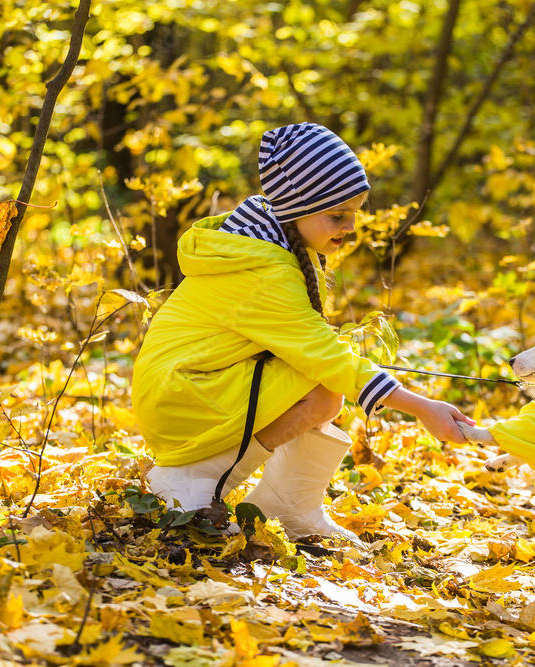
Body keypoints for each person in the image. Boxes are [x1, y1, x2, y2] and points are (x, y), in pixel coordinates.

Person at [132, 123, 474, 540]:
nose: (350, 226)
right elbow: (324, 356)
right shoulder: (264, 270)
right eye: (337, 214)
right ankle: (191, 477)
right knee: (323, 382)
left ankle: (291, 505)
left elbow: (317, 348)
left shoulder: (273, 244)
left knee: (325, 384)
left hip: (190, 385)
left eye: (355, 212)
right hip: (180, 395)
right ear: (298, 207)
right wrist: (421, 407)